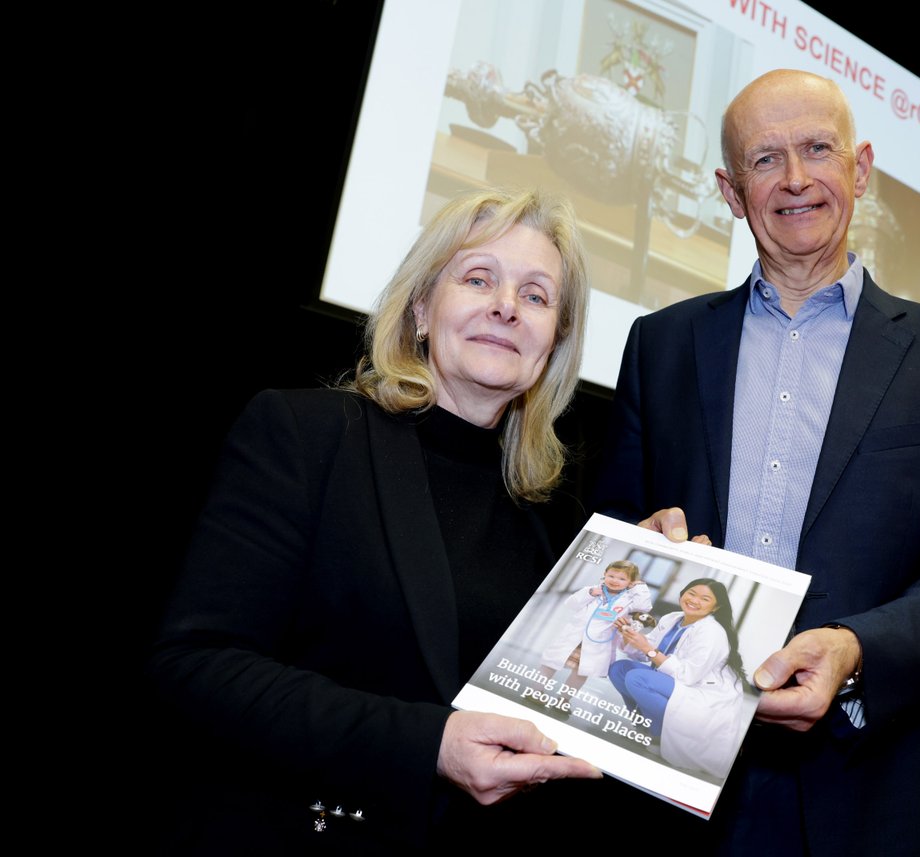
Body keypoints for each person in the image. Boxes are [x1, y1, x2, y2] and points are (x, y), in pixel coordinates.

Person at [593, 68, 920, 855]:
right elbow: (613, 538)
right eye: (764, 159)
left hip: (862, 791)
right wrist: (638, 547)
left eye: (817, 149)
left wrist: (856, 652)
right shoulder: (662, 345)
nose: (794, 179)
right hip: (670, 785)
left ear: (859, 169)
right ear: (729, 188)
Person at [147, 187, 603, 854]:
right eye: (479, 278)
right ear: (422, 307)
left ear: (554, 341)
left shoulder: (555, 516)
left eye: (536, 296)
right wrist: (429, 744)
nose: (507, 306)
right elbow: (196, 665)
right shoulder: (306, 436)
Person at [610, 578, 749, 779]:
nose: (694, 600)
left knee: (636, 678)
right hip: (672, 681)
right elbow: (644, 651)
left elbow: (688, 676)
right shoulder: (672, 618)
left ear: (715, 607)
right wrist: (627, 635)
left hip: (701, 693)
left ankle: (657, 736)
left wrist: (647, 648)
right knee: (618, 669)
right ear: (682, 593)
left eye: (705, 598)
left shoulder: (712, 632)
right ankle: (643, 725)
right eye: (691, 593)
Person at [539, 559, 652, 697]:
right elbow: (571, 604)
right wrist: (590, 593)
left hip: (598, 642)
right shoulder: (592, 590)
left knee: (581, 672)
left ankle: (564, 699)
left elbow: (644, 606)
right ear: (605, 574)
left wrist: (640, 587)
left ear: (630, 582)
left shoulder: (629, 599)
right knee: (551, 662)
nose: (615, 580)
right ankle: (536, 689)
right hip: (575, 636)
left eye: (622, 579)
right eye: (611, 576)